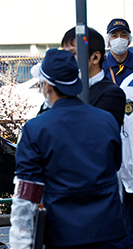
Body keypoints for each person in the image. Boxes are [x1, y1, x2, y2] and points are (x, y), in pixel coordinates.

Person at [9, 48, 131, 249]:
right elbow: (115, 170)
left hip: (64, 236)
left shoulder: (35, 129)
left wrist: (20, 244)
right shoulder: (107, 121)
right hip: (112, 234)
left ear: (47, 85)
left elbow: (26, 196)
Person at [59, 26, 126, 127]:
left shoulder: (112, 94)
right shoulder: (63, 88)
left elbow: (89, 131)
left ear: (95, 57)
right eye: (64, 53)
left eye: (73, 53)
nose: (66, 59)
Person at [103, 18, 133, 86]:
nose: (119, 39)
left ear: (128, 41)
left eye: (123, 35)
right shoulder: (100, 65)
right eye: (114, 36)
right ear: (108, 42)